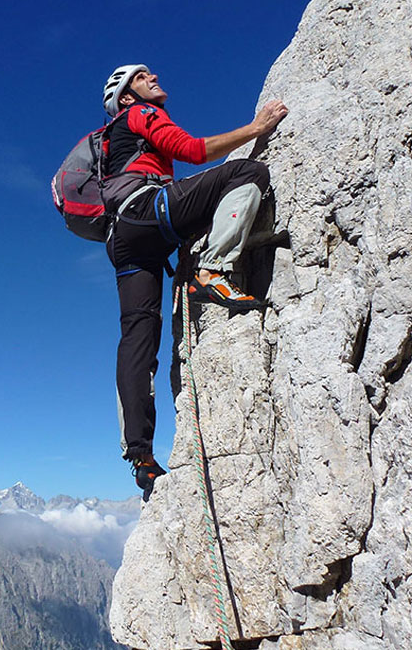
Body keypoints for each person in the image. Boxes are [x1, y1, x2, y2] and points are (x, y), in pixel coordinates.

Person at [98, 64, 288, 500]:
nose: (152, 76)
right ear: (127, 97)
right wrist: (257, 128)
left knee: (138, 338)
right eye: (141, 76)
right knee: (247, 175)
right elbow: (192, 150)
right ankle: (214, 269)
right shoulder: (140, 115)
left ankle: (140, 454)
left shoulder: (111, 143)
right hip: (149, 212)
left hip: (123, 239)